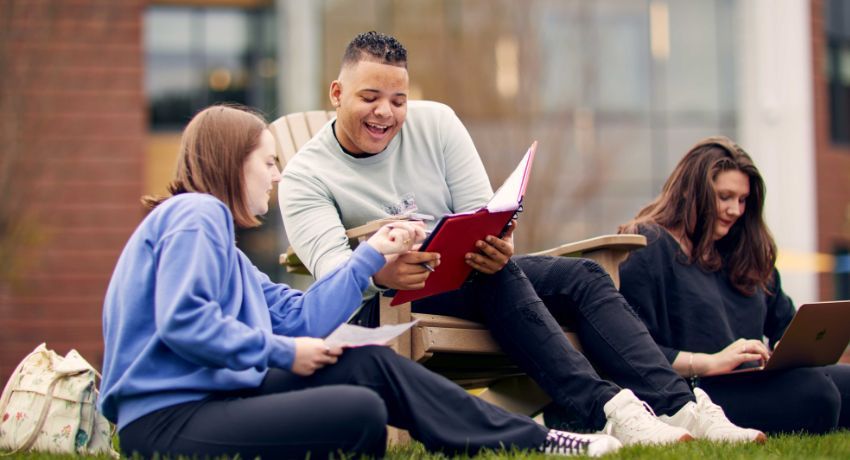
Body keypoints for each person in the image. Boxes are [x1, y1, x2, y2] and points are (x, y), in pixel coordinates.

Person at [279, 30, 766, 446]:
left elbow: (484, 213)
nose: (385, 113)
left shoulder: (438, 123)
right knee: (488, 275)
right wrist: (378, 268)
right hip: (383, 304)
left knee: (583, 276)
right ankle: (609, 409)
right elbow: (330, 276)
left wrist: (500, 240)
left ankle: (678, 406)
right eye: (370, 98)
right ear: (337, 93)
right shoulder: (306, 177)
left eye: (398, 100)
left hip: (464, 273)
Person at [97, 104, 626, 459]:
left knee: (370, 365)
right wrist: (285, 353)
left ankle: (538, 440)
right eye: (268, 162)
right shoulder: (196, 215)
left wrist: (369, 257)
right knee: (359, 413)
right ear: (232, 163)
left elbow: (301, 318)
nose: (276, 176)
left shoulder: (222, 250)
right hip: (165, 420)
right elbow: (183, 321)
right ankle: (539, 439)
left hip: (210, 398)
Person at [618, 136, 850, 434]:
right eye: (724, 197)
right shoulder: (650, 246)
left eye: (742, 200)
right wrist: (711, 362)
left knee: (834, 385)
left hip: (751, 380)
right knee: (816, 393)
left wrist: (786, 350)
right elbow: (632, 350)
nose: (736, 210)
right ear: (690, 191)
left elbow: (785, 325)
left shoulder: (742, 250)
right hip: (695, 390)